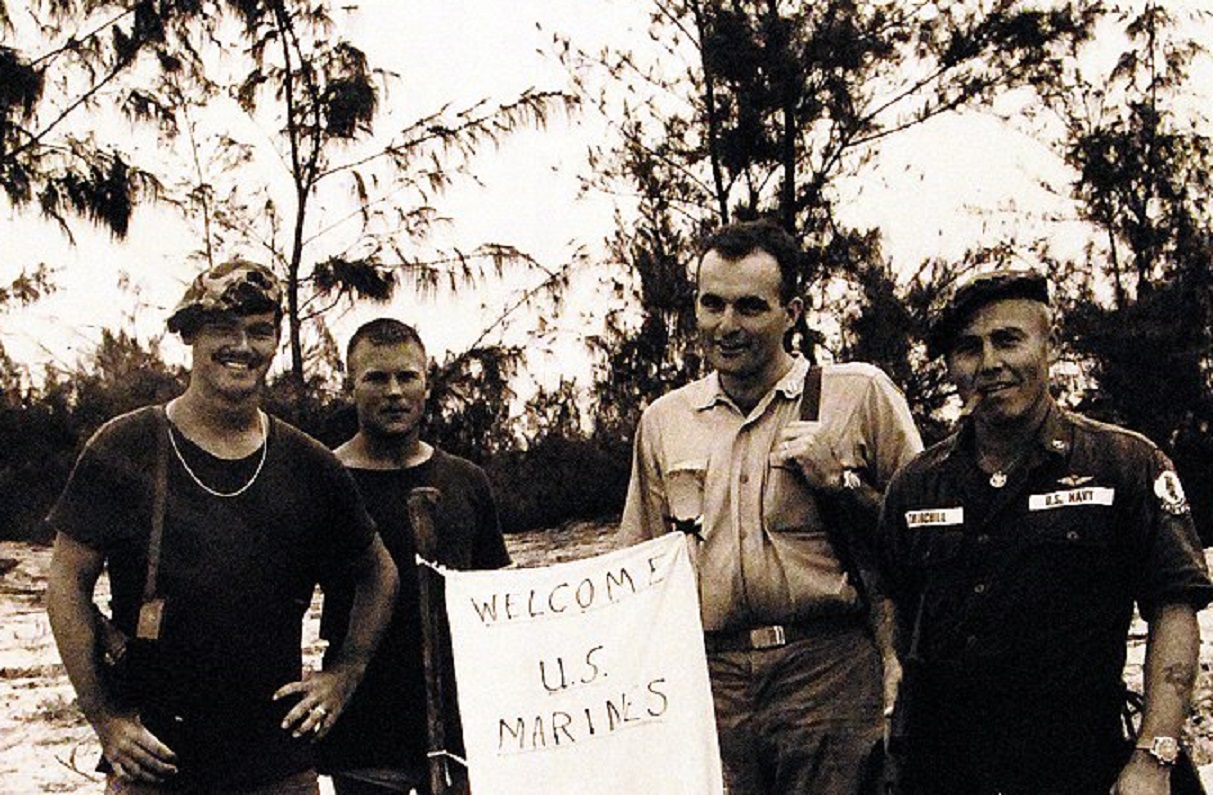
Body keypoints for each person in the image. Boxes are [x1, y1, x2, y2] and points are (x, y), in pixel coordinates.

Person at [45, 260, 399, 794]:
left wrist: (342, 677)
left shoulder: (309, 465)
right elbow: (66, 584)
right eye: (223, 329)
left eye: (260, 331)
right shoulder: (126, 447)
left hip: (275, 765)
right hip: (155, 762)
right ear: (189, 334)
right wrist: (107, 719)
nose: (243, 346)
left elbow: (379, 573)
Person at [618, 219, 924, 794]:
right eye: (712, 305)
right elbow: (636, 572)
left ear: (793, 311)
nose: (727, 326)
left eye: (751, 307)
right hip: (712, 683)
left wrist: (842, 482)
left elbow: (927, 535)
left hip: (827, 673)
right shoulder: (665, 421)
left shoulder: (859, 394)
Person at [879, 268, 1213, 794]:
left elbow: (1175, 608)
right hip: (946, 769)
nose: (990, 364)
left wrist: (1154, 754)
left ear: (1050, 344)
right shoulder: (917, 486)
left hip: (1079, 764)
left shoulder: (1124, 464)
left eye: (1008, 340)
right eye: (968, 348)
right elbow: (895, 611)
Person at [318, 318, 511, 795]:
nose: (394, 392)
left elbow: (501, 604)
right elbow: (280, 600)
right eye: (376, 378)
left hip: (461, 729)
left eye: (407, 377)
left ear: (427, 382)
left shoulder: (466, 481)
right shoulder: (323, 480)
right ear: (351, 386)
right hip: (366, 729)